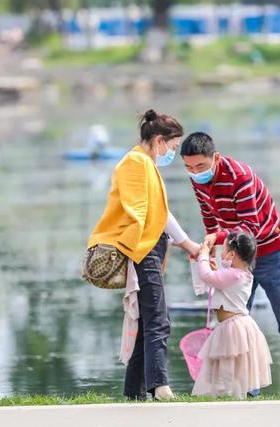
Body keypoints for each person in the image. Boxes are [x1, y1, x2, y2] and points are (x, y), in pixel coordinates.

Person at [180, 131, 280, 396]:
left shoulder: (239, 176)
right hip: (238, 257)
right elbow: (209, 217)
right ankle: (245, 392)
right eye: (188, 167)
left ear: (215, 158)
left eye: (200, 166)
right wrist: (214, 252)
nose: (195, 172)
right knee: (236, 323)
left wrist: (213, 239)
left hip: (272, 251)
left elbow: (249, 228)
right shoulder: (198, 180)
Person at [87, 109, 200, 401]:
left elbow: (159, 214)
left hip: (148, 248)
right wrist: (187, 244)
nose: (172, 153)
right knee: (158, 319)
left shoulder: (145, 164)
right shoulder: (135, 163)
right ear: (159, 141)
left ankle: (134, 392)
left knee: (147, 322)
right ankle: (160, 386)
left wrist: (186, 244)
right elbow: (145, 213)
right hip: (142, 249)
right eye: (173, 147)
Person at [192, 231, 272, 399]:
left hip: (232, 328)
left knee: (228, 369)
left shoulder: (233, 274)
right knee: (234, 369)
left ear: (232, 254)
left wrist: (204, 256)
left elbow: (206, 275)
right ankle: (232, 397)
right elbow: (218, 281)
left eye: (224, 249)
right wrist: (215, 272)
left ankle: (230, 398)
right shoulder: (242, 273)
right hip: (237, 324)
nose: (221, 253)